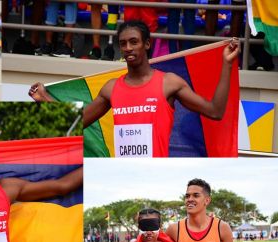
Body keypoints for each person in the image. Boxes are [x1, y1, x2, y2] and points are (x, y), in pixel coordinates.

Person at [29, 20, 240, 157]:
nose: (128, 48)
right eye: (123, 44)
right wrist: (45, 98)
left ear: (147, 44)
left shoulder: (169, 82)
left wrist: (228, 64)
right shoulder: (112, 88)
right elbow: (76, 123)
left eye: (134, 42)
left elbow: (215, 111)